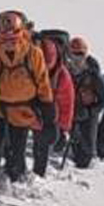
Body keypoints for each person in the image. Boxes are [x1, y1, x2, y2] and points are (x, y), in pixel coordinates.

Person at [0, 11, 54, 184]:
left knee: (17, 152)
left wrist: (48, 115)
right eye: (4, 38)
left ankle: (14, 180)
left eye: (12, 37)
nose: (8, 43)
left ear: (20, 33)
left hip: (23, 111)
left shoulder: (33, 54)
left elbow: (43, 83)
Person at [65, 37, 104, 168]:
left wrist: (90, 112)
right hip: (72, 112)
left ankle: (86, 169)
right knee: (74, 142)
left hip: (89, 116)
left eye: (80, 54)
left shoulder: (94, 74)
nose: (77, 58)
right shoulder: (66, 71)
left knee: (87, 148)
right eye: (74, 54)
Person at [38, 35, 74, 177]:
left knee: (44, 141)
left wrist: (64, 128)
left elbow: (67, 104)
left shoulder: (63, 76)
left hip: (52, 115)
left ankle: (39, 172)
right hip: (32, 111)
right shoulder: (33, 67)